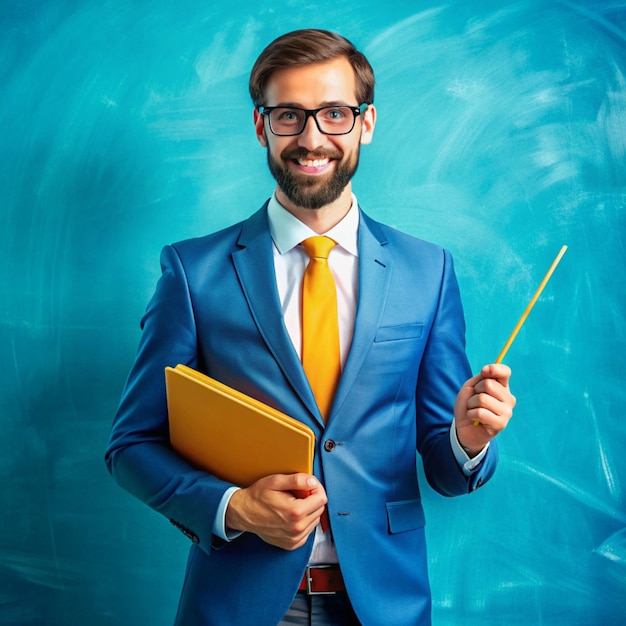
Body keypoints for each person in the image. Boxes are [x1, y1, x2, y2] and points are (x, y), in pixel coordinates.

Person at [105, 28, 515, 625]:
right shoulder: (193, 272)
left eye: (334, 114)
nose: (312, 137)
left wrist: (469, 440)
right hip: (239, 604)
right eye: (290, 115)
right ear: (260, 126)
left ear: (365, 122)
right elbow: (131, 445)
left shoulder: (427, 271)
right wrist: (235, 507)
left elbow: (447, 471)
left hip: (385, 605)